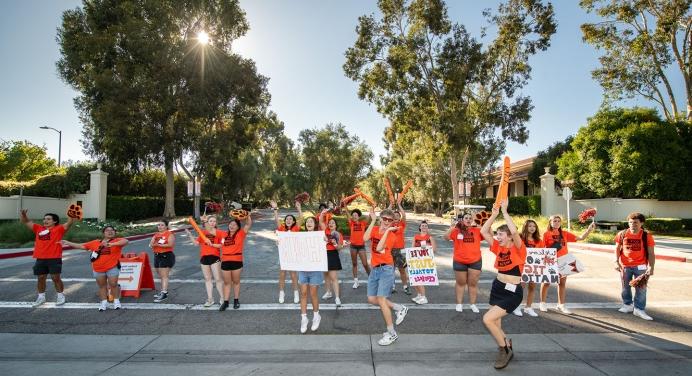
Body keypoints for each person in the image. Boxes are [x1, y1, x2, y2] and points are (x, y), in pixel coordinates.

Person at [479, 199, 525, 369]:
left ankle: (504, 350)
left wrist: (505, 212)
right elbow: (484, 231)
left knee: (487, 319)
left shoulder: (519, 248)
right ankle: (506, 342)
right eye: (497, 234)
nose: (497, 238)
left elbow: (514, 232)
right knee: (496, 322)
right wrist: (494, 214)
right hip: (498, 286)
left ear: (509, 237)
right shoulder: (498, 248)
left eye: (500, 235)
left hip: (513, 292)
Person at [363, 207, 409, 346]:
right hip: (375, 269)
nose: (387, 221)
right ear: (380, 218)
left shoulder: (392, 235)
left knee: (381, 300)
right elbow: (365, 238)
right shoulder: (376, 229)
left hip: (386, 269)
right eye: (384, 219)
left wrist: (388, 230)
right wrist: (372, 221)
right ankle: (399, 308)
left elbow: (378, 248)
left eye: (390, 220)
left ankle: (392, 333)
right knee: (372, 299)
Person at [61, 226, 128, 311]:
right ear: (103, 233)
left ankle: (116, 301)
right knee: (102, 286)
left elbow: (126, 241)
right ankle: (104, 302)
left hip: (112, 267)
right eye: (107, 230)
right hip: (98, 268)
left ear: (115, 232)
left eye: (112, 230)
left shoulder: (117, 241)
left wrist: (111, 244)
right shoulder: (95, 242)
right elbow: (81, 246)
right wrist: (67, 242)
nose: (110, 232)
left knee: (113, 284)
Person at [539, 215, 595, 314]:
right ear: (550, 222)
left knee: (562, 283)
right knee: (546, 282)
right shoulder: (546, 234)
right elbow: (541, 249)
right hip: (551, 261)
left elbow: (580, 238)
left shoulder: (564, 234)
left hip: (564, 261)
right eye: (554, 221)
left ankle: (561, 305)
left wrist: (589, 230)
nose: (556, 222)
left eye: (558, 221)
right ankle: (542, 303)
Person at [20, 209, 76, 307]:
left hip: (54, 258)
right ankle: (41, 297)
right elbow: (26, 221)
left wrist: (71, 215)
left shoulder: (59, 229)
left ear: (54, 221)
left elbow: (69, 223)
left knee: (55, 278)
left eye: (48, 219)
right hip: (40, 258)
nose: (45, 221)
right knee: (41, 278)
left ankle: (60, 296)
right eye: (44, 219)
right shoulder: (38, 228)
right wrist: (24, 215)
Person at [615, 212, 656, 321]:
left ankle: (639, 309)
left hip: (641, 266)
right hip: (625, 265)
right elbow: (617, 248)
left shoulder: (646, 236)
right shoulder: (622, 234)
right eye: (631, 222)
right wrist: (616, 261)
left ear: (641, 223)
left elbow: (651, 253)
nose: (633, 224)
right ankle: (628, 305)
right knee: (625, 287)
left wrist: (651, 267)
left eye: (636, 222)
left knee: (641, 288)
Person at [445, 212, 482, 313]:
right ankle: (459, 304)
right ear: (462, 220)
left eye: (470, 218)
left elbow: (490, 234)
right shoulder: (457, 230)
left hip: (475, 261)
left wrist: (481, 224)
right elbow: (446, 237)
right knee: (461, 283)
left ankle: (473, 304)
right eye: (466, 218)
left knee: (473, 284)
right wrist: (452, 227)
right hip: (460, 261)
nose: (468, 220)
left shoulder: (477, 230)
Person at [185, 215, 224, 307]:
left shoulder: (219, 232)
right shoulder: (202, 233)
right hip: (204, 258)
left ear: (216, 223)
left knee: (218, 279)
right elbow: (196, 243)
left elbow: (221, 245)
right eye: (210, 221)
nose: (212, 223)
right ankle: (210, 299)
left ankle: (222, 298)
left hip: (214, 257)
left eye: (214, 221)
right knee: (207, 279)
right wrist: (190, 235)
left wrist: (212, 244)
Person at [219, 214, 252, 311]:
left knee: (236, 282)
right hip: (225, 261)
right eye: (230, 224)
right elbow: (220, 245)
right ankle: (225, 302)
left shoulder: (241, 234)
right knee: (226, 282)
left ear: (238, 227)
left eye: (234, 225)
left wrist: (247, 215)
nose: (231, 226)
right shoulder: (223, 235)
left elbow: (248, 224)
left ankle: (236, 300)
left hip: (236, 261)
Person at [271, 200, 302, 304]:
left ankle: (296, 293)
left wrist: (299, 208)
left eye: (290, 219)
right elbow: (276, 219)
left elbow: (301, 218)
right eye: (287, 219)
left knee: (293, 275)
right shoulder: (282, 228)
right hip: (283, 254)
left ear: (293, 221)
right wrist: (275, 209)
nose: (288, 220)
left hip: (293, 255)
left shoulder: (296, 228)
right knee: (282, 275)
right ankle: (281, 293)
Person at [298, 216, 324, 333]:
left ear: (315, 224)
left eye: (311, 221)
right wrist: (281, 243)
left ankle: (316, 316)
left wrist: (325, 239)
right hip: (303, 269)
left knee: (313, 294)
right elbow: (291, 246)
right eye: (307, 221)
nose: (309, 223)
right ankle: (304, 319)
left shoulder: (319, 236)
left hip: (315, 270)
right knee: (303, 294)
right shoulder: (300, 236)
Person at [514, 219, 545, 317]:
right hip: (522, 266)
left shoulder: (539, 241)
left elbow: (543, 254)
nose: (532, 228)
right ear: (525, 227)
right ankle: (516, 306)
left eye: (534, 226)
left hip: (533, 267)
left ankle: (528, 307)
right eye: (530, 226)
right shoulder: (520, 238)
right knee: (521, 287)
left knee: (532, 287)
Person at [319, 211, 344, 306]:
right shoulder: (325, 231)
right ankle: (328, 292)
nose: (331, 224)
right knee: (325, 275)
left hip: (332, 254)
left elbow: (340, 248)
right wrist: (322, 213)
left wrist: (335, 244)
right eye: (329, 223)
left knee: (333, 277)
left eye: (333, 223)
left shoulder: (338, 234)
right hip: (323, 254)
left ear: (336, 225)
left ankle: (337, 297)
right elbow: (321, 221)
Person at [149, 220, 175, 302]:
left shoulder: (169, 234)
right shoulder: (156, 235)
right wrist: (152, 243)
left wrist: (158, 245)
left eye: (162, 225)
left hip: (166, 256)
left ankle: (164, 293)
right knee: (160, 274)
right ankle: (163, 291)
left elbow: (170, 244)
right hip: (157, 255)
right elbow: (150, 244)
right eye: (159, 225)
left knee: (164, 276)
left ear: (166, 226)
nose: (160, 226)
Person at [410, 220, 436, 304]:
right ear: (420, 227)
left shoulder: (430, 237)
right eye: (423, 226)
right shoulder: (415, 237)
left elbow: (434, 250)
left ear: (428, 228)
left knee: (420, 279)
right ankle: (419, 295)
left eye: (426, 226)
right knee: (414, 279)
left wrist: (428, 246)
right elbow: (412, 249)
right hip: (416, 260)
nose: (424, 227)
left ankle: (424, 297)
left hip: (425, 261)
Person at [389, 201, 410, 294]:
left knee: (402, 270)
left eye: (397, 214)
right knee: (391, 270)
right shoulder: (389, 224)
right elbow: (386, 214)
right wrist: (390, 204)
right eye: (394, 215)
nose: (396, 215)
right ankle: (392, 287)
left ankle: (405, 287)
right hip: (390, 250)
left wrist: (399, 205)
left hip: (400, 249)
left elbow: (404, 215)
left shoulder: (402, 224)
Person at [347, 208, 371, 289]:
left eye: (356, 215)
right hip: (353, 246)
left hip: (361, 246)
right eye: (353, 215)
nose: (354, 216)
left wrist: (371, 211)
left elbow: (369, 218)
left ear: (358, 216)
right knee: (354, 264)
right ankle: (356, 282)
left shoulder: (363, 223)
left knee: (365, 264)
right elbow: (347, 214)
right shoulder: (351, 223)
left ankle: (371, 280)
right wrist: (345, 206)